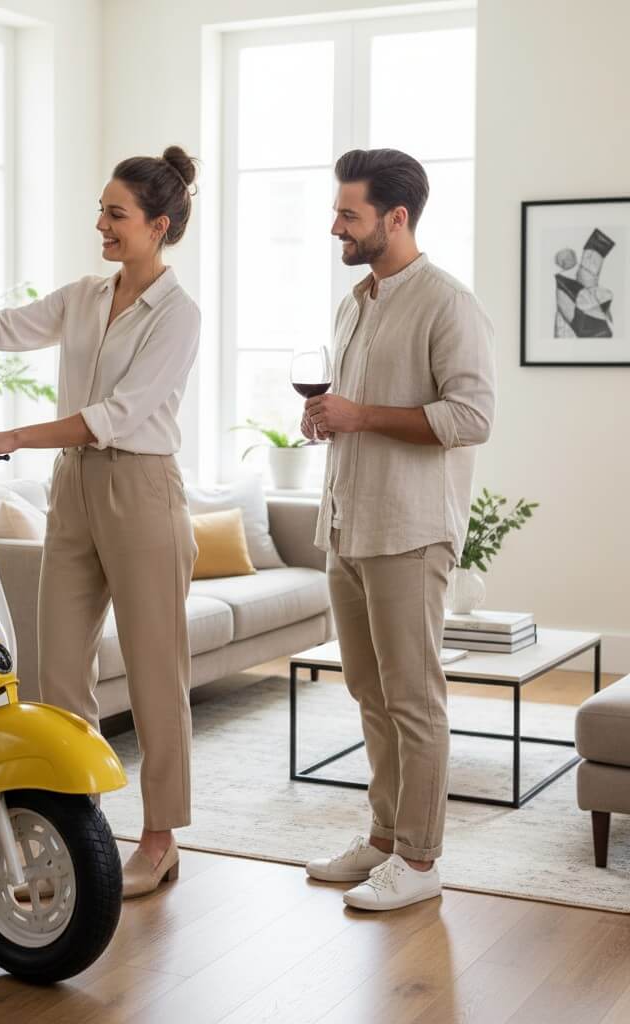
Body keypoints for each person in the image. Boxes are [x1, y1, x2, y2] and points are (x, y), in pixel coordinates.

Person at [0, 147, 201, 899]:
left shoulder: (179, 314)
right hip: (76, 491)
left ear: (158, 225)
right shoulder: (84, 296)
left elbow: (116, 416)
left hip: (143, 492)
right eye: (100, 210)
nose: (100, 224)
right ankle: (79, 833)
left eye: (115, 214)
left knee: (158, 672)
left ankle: (159, 839)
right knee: (60, 668)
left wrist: (12, 438)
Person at [302, 148, 496, 911]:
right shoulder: (354, 303)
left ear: (396, 217)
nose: (334, 226)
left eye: (348, 213)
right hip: (348, 525)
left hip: (409, 533)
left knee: (414, 699)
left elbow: (472, 417)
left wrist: (363, 415)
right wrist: (329, 414)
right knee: (368, 692)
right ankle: (383, 837)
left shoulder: (448, 304)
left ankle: (419, 863)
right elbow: (354, 408)